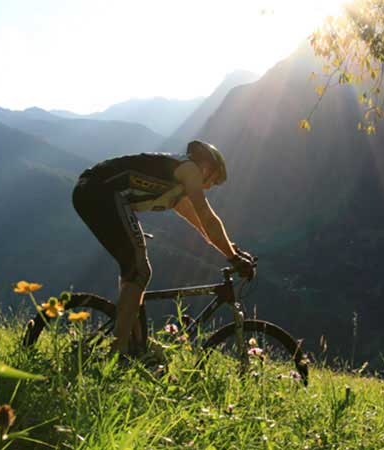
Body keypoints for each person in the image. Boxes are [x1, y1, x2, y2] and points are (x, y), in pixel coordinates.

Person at [72, 140, 255, 356]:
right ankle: (119, 349)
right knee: (140, 270)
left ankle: (137, 343)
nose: (208, 187)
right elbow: (206, 215)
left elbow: (202, 226)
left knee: (134, 270)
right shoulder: (190, 169)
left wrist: (232, 250)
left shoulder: (176, 190)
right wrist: (233, 259)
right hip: (100, 192)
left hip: (91, 192)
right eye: (212, 181)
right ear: (206, 167)